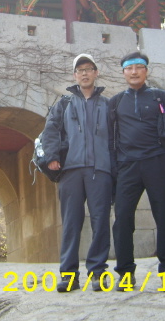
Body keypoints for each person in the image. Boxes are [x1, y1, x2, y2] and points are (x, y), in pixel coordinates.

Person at [108, 52, 165, 291]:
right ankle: (125, 273)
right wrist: (114, 168)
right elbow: (110, 138)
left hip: (157, 162)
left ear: (146, 71)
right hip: (127, 166)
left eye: (139, 67)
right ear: (123, 73)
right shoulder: (116, 101)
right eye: (129, 68)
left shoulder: (160, 96)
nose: (134, 72)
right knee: (122, 220)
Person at [40, 53, 113, 292]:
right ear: (75, 75)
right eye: (80, 70)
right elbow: (51, 130)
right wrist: (52, 157)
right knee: (71, 222)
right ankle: (69, 275)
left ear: (96, 73)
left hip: (100, 170)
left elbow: (116, 137)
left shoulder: (108, 104)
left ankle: (98, 272)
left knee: (101, 221)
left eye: (89, 69)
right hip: (70, 170)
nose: (84, 73)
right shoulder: (64, 103)